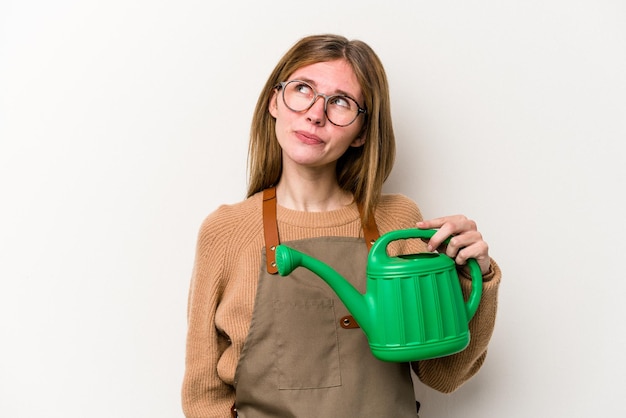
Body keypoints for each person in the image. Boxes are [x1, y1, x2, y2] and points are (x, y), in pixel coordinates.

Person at [182, 34, 501, 418]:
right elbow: (203, 396)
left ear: (362, 133)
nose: (316, 113)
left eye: (340, 102)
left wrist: (475, 276)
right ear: (274, 102)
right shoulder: (227, 230)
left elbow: (444, 375)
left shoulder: (396, 222)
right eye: (303, 90)